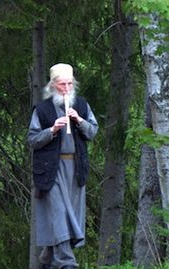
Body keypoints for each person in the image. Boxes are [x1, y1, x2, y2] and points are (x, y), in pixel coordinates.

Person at [28, 63, 99, 269]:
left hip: (75, 168)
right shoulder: (42, 110)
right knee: (59, 212)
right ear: (53, 85)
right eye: (61, 85)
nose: (66, 89)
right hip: (53, 169)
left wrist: (79, 121)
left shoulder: (82, 105)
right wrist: (51, 130)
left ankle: (47, 258)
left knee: (70, 215)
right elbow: (32, 140)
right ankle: (67, 263)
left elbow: (93, 132)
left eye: (69, 84)